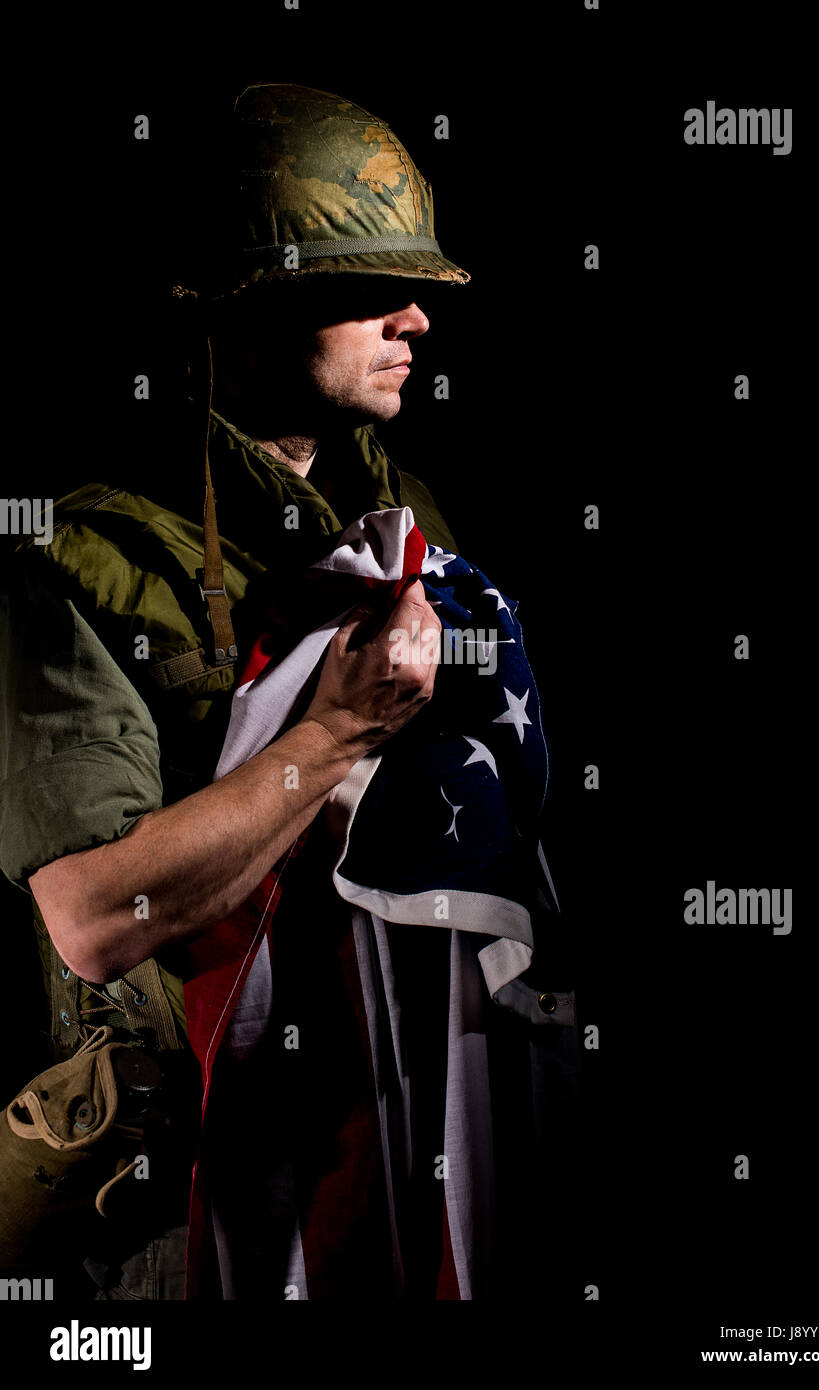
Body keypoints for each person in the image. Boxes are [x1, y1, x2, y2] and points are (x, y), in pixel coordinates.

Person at [0, 83, 579, 1300]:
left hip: (379, 1140)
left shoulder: (409, 524)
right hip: (175, 1193)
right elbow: (99, 919)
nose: (416, 318)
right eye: (369, 288)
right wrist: (334, 729)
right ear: (254, 310)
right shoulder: (85, 563)